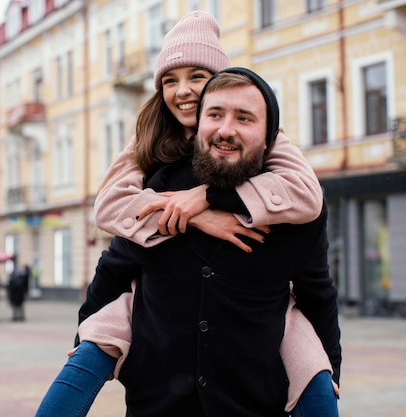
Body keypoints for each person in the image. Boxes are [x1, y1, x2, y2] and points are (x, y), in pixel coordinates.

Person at [35, 12, 337, 417]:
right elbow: (114, 253)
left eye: (197, 76)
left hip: (251, 397)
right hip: (158, 399)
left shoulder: (276, 163)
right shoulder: (153, 159)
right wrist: (190, 212)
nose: (183, 92)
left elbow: (314, 265)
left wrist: (208, 196)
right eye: (169, 80)